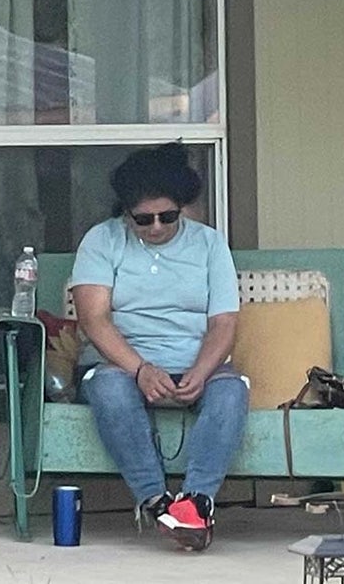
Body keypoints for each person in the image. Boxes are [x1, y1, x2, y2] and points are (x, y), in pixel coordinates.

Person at [70, 142, 248, 552]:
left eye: (167, 216)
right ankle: (155, 501)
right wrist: (141, 369)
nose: (155, 227)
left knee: (232, 390)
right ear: (125, 212)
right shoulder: (102, 241)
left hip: (196, 362)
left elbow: (224, 321)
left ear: (182, 207)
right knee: (109, 389)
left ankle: (195, 505)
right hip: (122, 364)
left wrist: (201, 372)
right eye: (143, 219)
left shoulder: (208, 244)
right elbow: (94, 318)